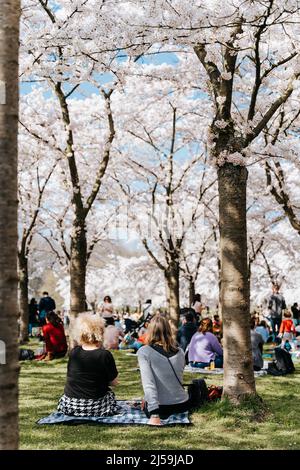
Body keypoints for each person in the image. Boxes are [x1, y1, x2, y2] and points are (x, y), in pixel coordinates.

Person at [57, 313, 120, 417]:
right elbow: (114, 382)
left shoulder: (74, 352)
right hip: (95, 407)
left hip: (70, 405)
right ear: (100, 333)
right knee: (110, 394)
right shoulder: (104, 355)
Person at [137, 314, 190, 426]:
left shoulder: (144, 352)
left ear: (150, 331)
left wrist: (154, 414)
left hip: (160, 408)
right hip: (182, 404)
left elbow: (149, 384)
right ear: (168, 330)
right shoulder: (180, 352)